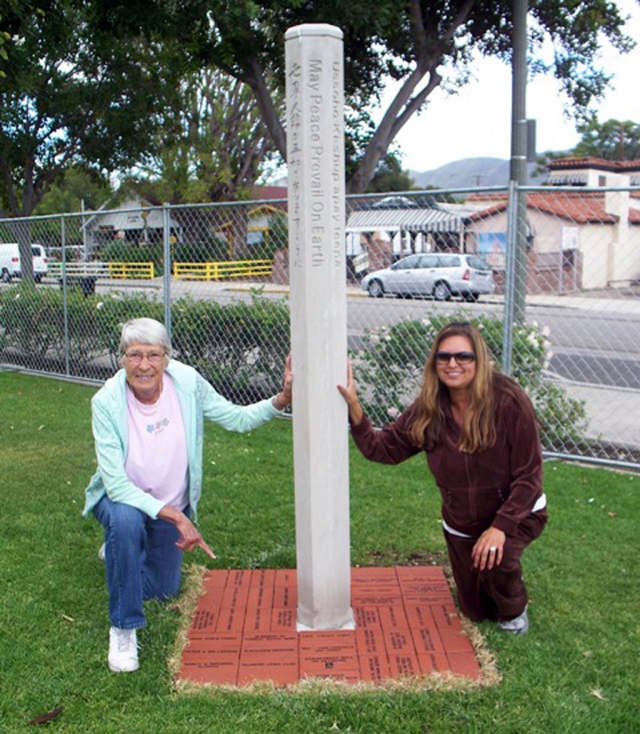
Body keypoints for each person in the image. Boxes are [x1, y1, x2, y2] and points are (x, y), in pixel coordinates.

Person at [83, 317, 292, 672]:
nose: (144, 365)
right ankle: (123, 628)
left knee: (164, 589)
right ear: (121, 360)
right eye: (134, 355)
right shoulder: (106, 401)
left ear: (166, 358)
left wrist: (284, 398)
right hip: (123, 501)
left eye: (153, 354)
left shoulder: (187, 383)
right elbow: (116, 484)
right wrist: (178, 517)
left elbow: (236, 418)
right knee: (125, 519)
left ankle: (121, 553)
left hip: (169, 503)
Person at [338, 321, 547, 635]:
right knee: (474, 610)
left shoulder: (507, 400)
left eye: (463, 356)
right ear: (434, 362)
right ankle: (488, 577)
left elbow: (529, 476)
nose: (453, 363)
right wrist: (354, 406)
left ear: (479, 360)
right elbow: (383, 450)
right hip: (461, 524)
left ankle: (515, 611)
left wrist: (500, 528)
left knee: (499, 563)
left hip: (518, 514)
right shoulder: (429, 408)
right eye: (443, 356)